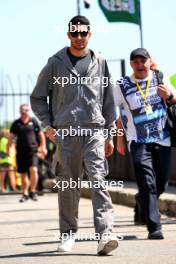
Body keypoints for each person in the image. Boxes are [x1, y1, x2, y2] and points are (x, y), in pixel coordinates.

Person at [30, 16, 118, 255]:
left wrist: (109, 135)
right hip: (65, 134)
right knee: (69, 186)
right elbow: (37, 97)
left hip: (94, 132)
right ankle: (68, 235)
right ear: (68, 35)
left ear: (90, 34)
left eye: (83, 33)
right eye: (75, 33)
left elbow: (110, 100)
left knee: (99, 182)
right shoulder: (56, 63)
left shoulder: (99, 61)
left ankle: (105, 235)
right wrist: (47, 126)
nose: (79, 37)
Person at [115, 48, 176, 239]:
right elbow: (114, 113)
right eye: (135, 62)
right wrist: (118, 138)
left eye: (143, 61)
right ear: (131, 64)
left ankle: (141, 201)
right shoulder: (122, 84)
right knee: (147, 183)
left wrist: (169, 97)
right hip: (138, 140)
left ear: (150, 62)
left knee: (161, 184)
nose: (140, 65)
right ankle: (154, 227)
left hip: (162, 138)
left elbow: (174, 101)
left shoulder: (160, 77)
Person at [8, 104, 47, 202]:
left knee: (34, 170)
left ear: (28, 110)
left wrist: (43, 146)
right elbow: (11, 137)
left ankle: (32, 191)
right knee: (23, 174)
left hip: (33, 151)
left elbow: (41, 134)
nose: (24, 111)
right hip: (20, 153)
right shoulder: (16, 123)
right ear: (20, 111)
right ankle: (25, 193)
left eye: (26, 109)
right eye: (22, 109)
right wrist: (8, 148)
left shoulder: (33, 121)